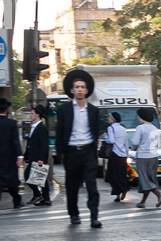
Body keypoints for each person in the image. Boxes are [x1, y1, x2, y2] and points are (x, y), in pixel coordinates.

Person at [55, 68, 103, 228]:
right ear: (72, 90)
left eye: (83, 87)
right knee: (72, 186)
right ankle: (74, 214)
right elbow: (60, 132)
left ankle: (94, 217)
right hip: (71, 153)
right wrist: (61, 153)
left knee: (92, 186)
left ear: (87, 90)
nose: (80, 90)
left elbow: (96, 131)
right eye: (77, 87)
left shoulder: (94, 111)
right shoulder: (64, 110)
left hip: (88, 152)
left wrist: (95, 151)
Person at [0, 98, 24, 211]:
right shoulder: (12, 123)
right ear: (7, 109)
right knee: (12, 180)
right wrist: (19, 156)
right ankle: (17, 201)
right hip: (10, 157)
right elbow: (15, 141)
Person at [130, 107, 161, 209]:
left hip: (143, 157)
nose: (137, 117)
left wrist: (133, 148)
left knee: (144, 179)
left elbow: (135, 143)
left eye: (138, 115)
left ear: (141, 116)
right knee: (149, 179)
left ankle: (159, 194)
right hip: (154, 157)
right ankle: (142, 202)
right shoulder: (155, 129)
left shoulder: (140, 128)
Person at [22, 104, 51, 206]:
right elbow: (30, 144)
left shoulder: (41, 128)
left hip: (38, 158)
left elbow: (44, 145)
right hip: (33, 157)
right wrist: (25, 156)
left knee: (30, 176)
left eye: (32, 113)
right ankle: (45, 199)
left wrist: (42, 159)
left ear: (37, 115)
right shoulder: (34, 127)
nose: (30, 115)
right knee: (41, 178)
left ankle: (38, 195)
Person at [104, 111, 131, 203]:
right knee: (122, 174)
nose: (108, 119)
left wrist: (105, 138)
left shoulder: (110, 128)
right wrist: (127, 154)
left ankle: (117, 195)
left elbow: (111, 140)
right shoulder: (123, 128)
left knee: (113, 175)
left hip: (115, 154)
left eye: (109, 117)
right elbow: (126, 143)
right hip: (123, 155)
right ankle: (124, 189)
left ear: (113, 119)